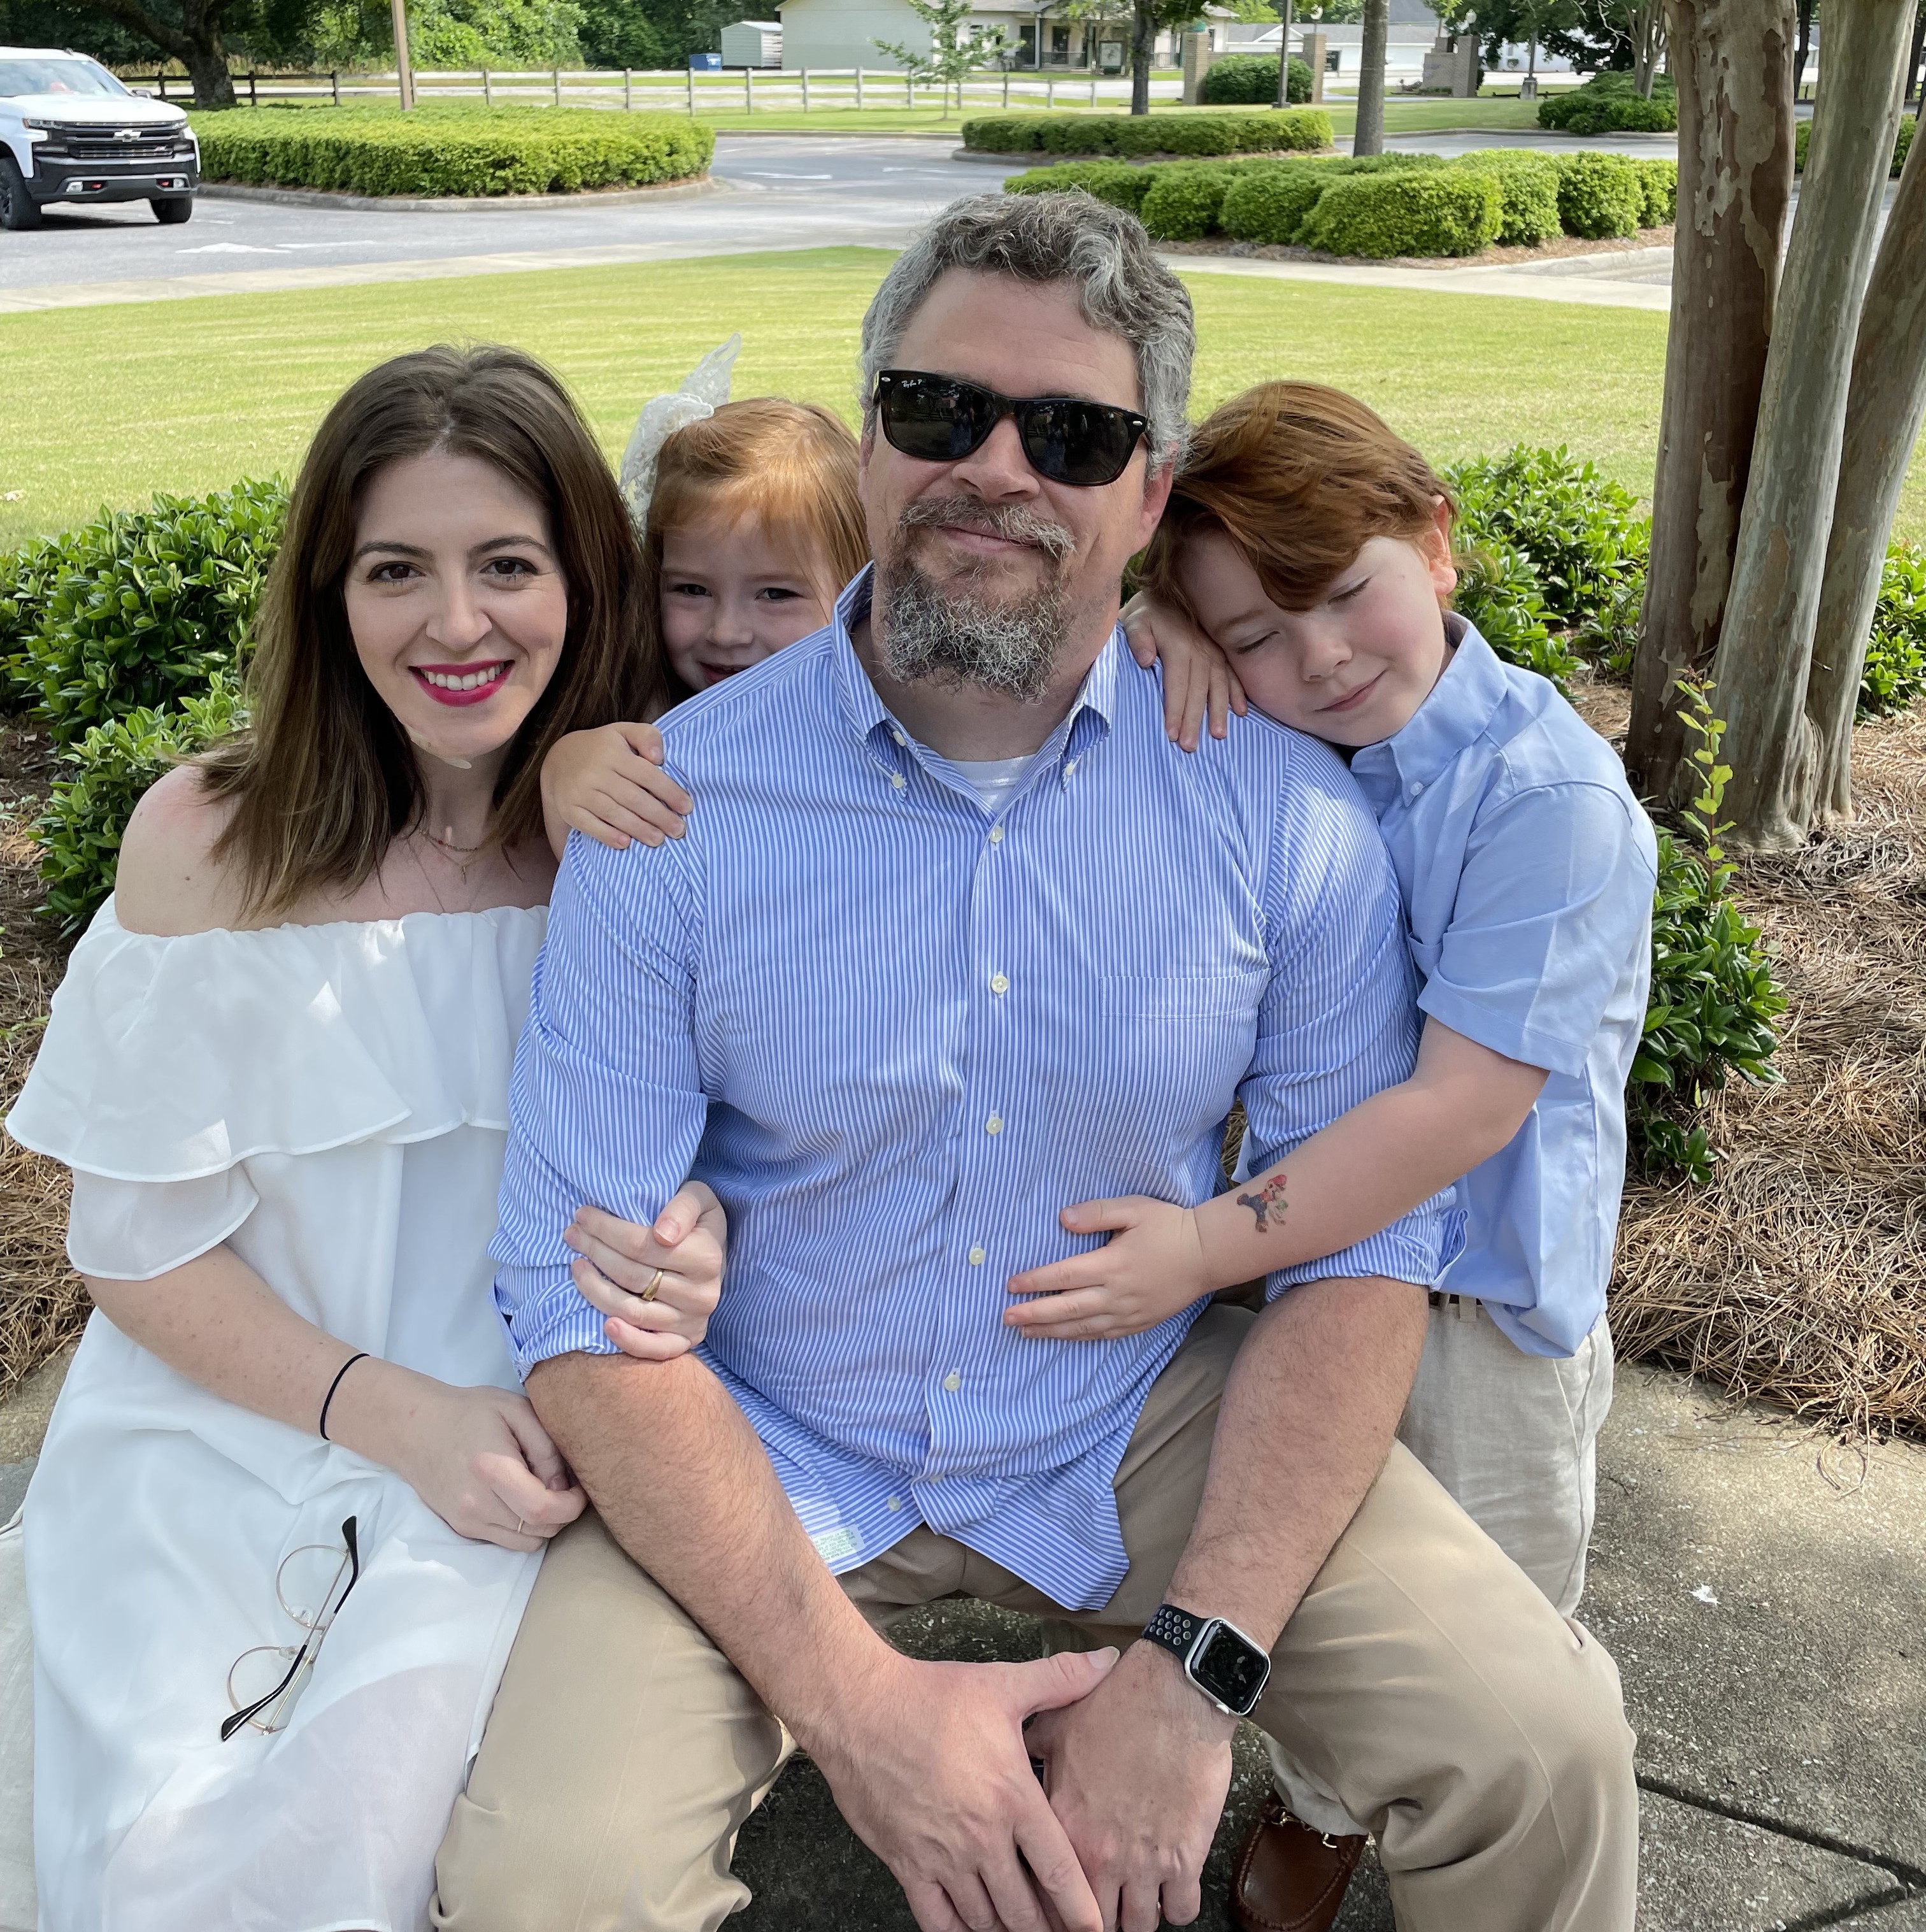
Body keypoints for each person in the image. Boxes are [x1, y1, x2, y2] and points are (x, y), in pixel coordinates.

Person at [438, 192, 1637, 1932]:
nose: (995, 469)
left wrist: (1198, 1676)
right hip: (766, 1424)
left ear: (1149, 497)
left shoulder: (1284, 818)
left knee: (1543, 1753)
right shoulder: (668, 809)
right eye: (939, 410)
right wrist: (861, 1714)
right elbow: (573, 1292)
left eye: (1071, 436)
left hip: (1129, 1413)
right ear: (868, 440)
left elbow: (1362, 1247)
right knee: (547, 1885)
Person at [3, 345, 724, 1931]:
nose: (455, 623)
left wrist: (702, 1232)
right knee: (168, 1855)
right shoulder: (207, 841)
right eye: (396, 569)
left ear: (586, 579)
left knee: (379, 1826)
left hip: (533, 1441)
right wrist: (394, 1419)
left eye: (508, 565)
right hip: (233, 1421)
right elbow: (137, 1249)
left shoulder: (638, 840)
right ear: (330, 594)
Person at [1031, 380, 1655, 1926]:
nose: (1315, 656)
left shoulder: (1548, 802)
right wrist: (1155, 626)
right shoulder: (1288, 733)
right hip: (1323, 1276)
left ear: (1436, 541)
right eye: (1255, 631)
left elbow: (1456, 1115)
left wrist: (1201, 1246)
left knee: (1491, 1610)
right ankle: (1321, 1797)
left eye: (1340, 594)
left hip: (1481, 1311)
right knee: (1306, 1572)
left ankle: (1436, 1815)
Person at [541, 376, 867, 859]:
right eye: (692, 590)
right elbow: (586, 875)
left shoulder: (885, 738)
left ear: (857, 588)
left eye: (776, 594)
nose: (726, 632)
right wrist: (564, 771)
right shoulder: (643, 741)